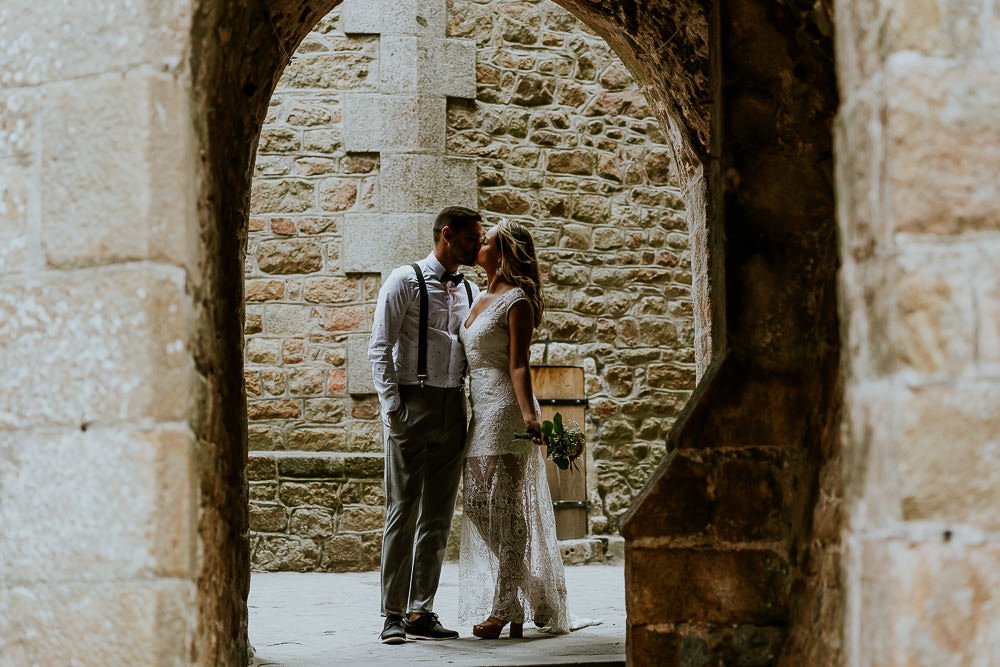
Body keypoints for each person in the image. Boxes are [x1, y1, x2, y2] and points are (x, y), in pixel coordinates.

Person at [368, 206, 484, 644]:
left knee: (437, 516)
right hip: (411, 402)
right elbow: (378, 347)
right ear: (448, 235)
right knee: (402, 511)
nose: (478, 246)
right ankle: (392, 614)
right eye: (473, 239)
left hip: (453, 408)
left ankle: (421, 610)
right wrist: (394, 411)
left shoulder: (470, 290)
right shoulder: (403, 280)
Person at [458, 219, 570, 639]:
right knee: (477, 506)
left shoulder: (516, 301)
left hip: (506, 410)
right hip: (479, 410)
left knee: (506, 508)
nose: (478, 245)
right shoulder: (478, 297)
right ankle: (533, 588)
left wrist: (529, 417)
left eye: (485, 242)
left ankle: (503, 608)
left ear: (502, 253)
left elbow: (519, 364)